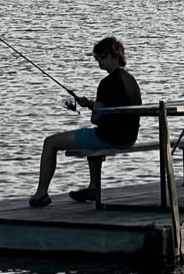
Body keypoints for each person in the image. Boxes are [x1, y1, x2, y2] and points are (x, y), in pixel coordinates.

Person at [29, 37, 142, 207]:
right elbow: (110, 109)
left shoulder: (106, 83)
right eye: (97, 59)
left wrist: (94, 108)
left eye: (102, 58)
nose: (99, 63)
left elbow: (96, 119)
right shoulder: (131, 80)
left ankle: (41, 194)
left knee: (50, 142)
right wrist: (90, 103)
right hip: (129, 137)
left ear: (114, 55)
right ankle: (93, 186)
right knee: (90, 137)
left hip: (109, 137)